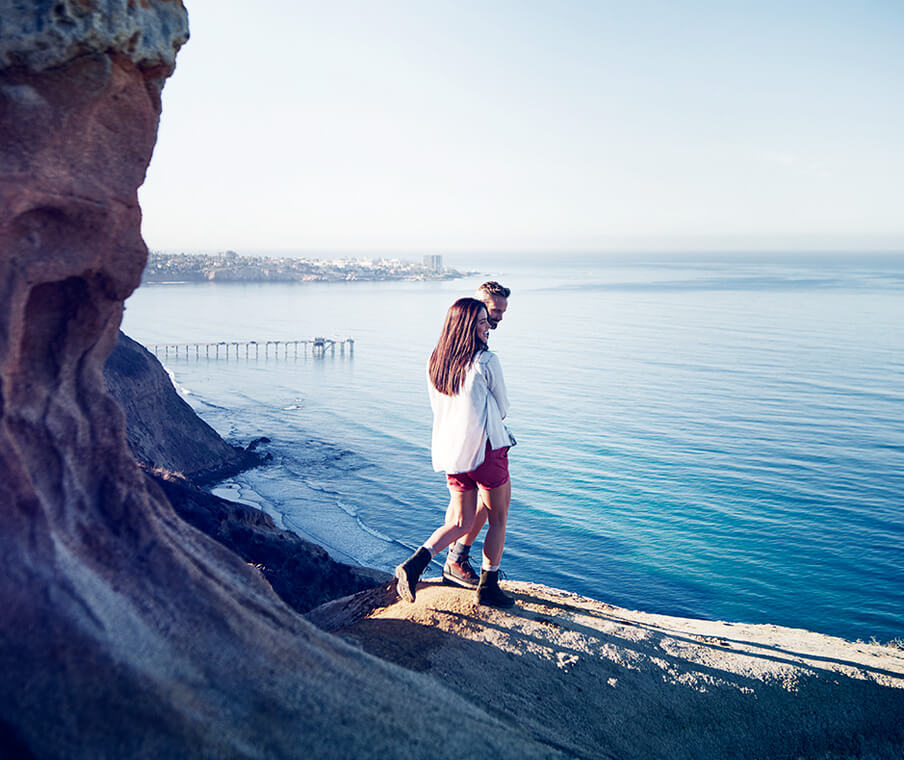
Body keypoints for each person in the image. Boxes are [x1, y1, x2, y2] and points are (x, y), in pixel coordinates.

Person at [395, 297, 514, 608]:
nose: (488, 327)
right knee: (498, 517)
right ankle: (488, 586)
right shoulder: (486, 362)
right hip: (486, 449)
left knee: (460, 522)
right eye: (481, 323)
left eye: (487, 321)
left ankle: (415, 564)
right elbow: (503, 408)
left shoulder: (435, 361)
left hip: (453, 451)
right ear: (466, 327)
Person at [442, 282, 511, 588]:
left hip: (454, 439)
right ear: (479, 305)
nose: (497, 318)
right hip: (481, 440)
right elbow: (501, 404)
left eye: (501, 311)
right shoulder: (483, 356)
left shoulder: (451, 343)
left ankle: (456, 557)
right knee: (487, 509)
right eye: (493, 311)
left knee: (472, 505)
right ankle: (468, 568)